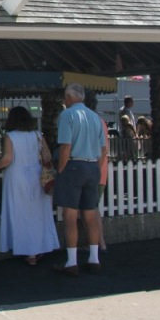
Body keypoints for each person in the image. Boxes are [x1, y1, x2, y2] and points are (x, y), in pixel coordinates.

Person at [0, 106, 59, 265]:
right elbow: (47, 155)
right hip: (36, 175)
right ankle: (37, 249)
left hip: (17, 177)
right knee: (38, 213)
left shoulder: (10, 136)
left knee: (20, 214)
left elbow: (8, 159)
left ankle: (27, 252)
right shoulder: (37, 135)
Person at [52, 83, 104, 276]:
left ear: (69, 97)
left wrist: (61, 168)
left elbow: (65, 146)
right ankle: (94, 258)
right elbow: (103, 149)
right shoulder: (95, 117)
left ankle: (72, 262)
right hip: (92, 165)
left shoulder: (67, 115)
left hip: (73, 165)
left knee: (70, 216)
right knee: (90, 215)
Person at [84, 91, 110, 252]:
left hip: (94, 172)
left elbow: (102, 150)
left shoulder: (92, 122)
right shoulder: (100, 121)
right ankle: (97, 243)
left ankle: (99, 244)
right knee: (92, 208)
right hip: (98, 171)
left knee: (91, 209)